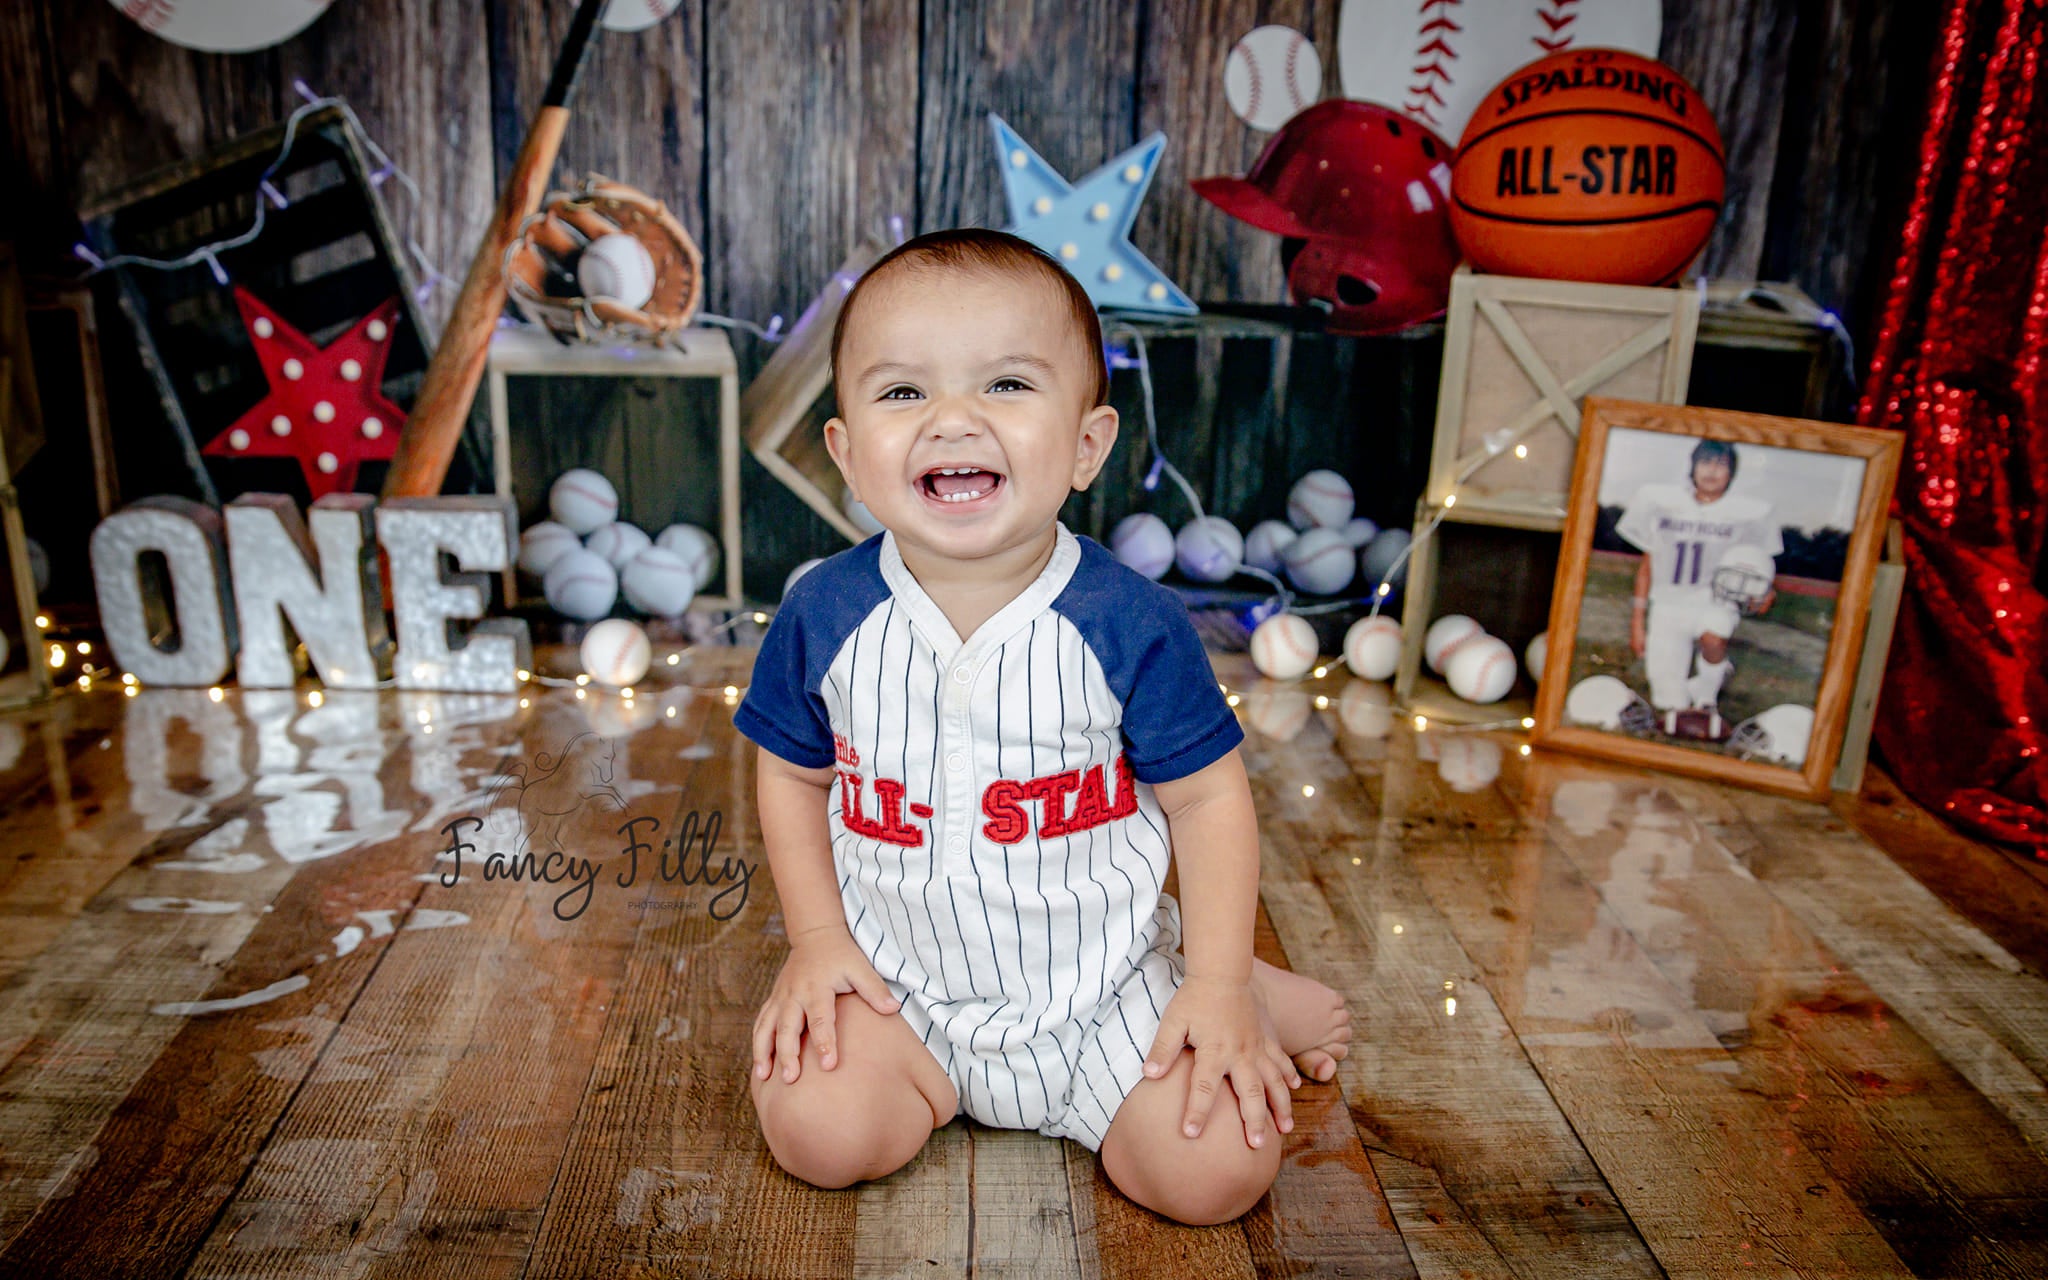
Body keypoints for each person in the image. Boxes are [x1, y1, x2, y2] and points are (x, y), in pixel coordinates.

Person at [732, 228, 1352, 1226]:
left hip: (1105, 989)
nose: (951, 420)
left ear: (1084, 444)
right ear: (844, 451)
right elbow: (793, 774)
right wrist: (812, 938)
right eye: (901, 393)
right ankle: (928, 1062)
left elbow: (1204, 798)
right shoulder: (825, 614)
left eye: (1006, 386)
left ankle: (1235, 974)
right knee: (818, 1132)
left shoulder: (1128, 621)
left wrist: (1220, 985)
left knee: (1215, 1175)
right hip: (904, 989)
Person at [1616, 438, 1784, 717]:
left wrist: (1768, 592)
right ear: (1692, 467)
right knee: (1669, 703)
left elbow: (1760, 563)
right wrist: (1638, 622)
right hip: (1668, 603)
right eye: (1705, 462)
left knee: (1713, 636)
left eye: (1721, 465)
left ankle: (1707, 695)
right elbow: (1647, 566)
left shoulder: (1745, 514)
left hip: (1714, 600)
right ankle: (1714, 674)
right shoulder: (1661, 503)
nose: (1712, 471)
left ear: (1732, 474)